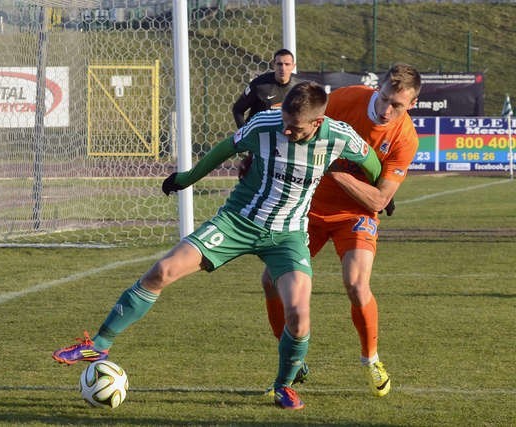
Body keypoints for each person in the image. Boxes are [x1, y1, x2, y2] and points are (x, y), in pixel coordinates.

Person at [52, 81, 382, 410]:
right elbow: (223, 150)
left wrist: (381, 193)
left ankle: (283, 386)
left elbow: (372, 163)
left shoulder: (340, 136)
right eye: (284, 122)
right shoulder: (265, 125)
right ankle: (98, 344)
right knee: (162, 271)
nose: (286, 131)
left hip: (288, 236)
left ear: (317, 123)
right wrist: (186, 178)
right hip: (236, 222)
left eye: (294, 128)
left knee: (299, 314)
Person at [252, 63, 422, 398]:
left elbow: (378, 199)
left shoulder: (405, 138)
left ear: (412, 104)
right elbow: (304, 120)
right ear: (379, 88)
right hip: (308, 208)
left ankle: (371, 358)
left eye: (397, 105)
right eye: (385, 97)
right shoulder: (346, 99)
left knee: (357, 284)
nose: (387, 109)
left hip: (354, 214)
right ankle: (291, 359)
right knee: (269, 281)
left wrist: (332, 170)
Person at [232, 48, 304, 128]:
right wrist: (244, 132)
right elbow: (237, 109)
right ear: (273, 64)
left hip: (285, 135)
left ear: (293, 66)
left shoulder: (300, 88)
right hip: (259, 134)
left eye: (287, 64)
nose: (283, 68)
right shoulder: (259, 84)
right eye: (279, 64)